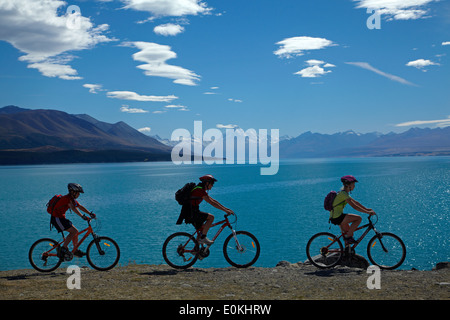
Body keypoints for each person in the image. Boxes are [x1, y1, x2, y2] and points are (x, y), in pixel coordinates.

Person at [182, 175, 234, 245]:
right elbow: (212, 203)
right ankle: (203, 238)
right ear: (207, 183)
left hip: (191, 212)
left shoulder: (201, 189)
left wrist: (226, 209)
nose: (212, 185)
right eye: (212, 183)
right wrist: (225, 211)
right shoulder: (199, 190)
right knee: (211, 217)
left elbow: (214, 201)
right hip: (191, 213)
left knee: (203, 229)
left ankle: (196, 251)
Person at [50, 183, 95, 258]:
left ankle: (75, 250)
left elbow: (79, 206)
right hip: (57, 218)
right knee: (73, 231)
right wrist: (82, 216)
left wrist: (90, 213)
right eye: (78, 193)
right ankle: (63, 249)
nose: (79, 195)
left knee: (75, 232)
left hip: (61, 218)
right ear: (73, 192)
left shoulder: (71, 199)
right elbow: (74, 208)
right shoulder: (66, 199)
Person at [329, 175, 375, 244]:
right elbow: (355, 206)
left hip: (336, 217)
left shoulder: (344, 193)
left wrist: (367, 209)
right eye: (353, 184)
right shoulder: (343, 194)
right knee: (358, 219)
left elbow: (356, 202)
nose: (354, 186)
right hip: (337, 217)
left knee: (348, 233)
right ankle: (348, 237)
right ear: (348, 185)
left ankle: (346, 251)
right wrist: (367, 212)